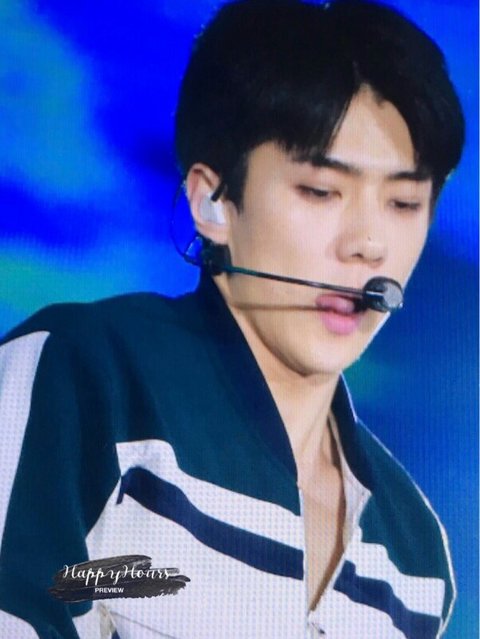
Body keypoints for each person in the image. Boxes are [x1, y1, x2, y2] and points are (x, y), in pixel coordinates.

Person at [0, 0, 465, 637]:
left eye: (404, 202)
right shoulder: (84, 379)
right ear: (212, 201)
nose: (368, 245)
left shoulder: (413, 553)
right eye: (321, 191)